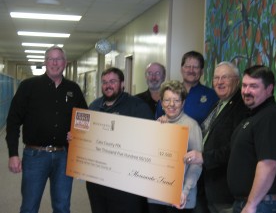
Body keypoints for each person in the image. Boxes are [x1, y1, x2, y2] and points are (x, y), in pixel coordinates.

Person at [5, 45, 88, 213]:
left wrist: (78, 135)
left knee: (62, 206)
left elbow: (84, 120)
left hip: (64, 156)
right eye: (51, 58)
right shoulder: (28, 86)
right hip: (35, 156)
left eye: (59, 59)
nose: (55, 62)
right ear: (45, 62)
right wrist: (13, 153)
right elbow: (13, 121)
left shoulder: (73, 89)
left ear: (65, 63)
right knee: (29, 206)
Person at [227, 65, 276, 213]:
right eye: (244, 85)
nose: (246, 91)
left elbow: (269, 164)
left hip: (264, 205)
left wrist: (251, 204)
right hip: (255, 203)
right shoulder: (255, 115)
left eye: (253, 86)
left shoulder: (271, 117)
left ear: (269, 89)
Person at [85, 67, 153, 213]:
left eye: (112, 81)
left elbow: (149, 141)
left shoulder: (137, 107)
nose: (108, 85)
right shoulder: (94, 106)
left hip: (125, 182)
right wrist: (76, 138)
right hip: (97, 180)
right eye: (104, 82)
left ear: (122, 83)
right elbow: (85, 137)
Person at [185, 62, 248, 213]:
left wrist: (204, 157)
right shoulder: (218, 104)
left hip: (224, 190)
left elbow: (236, 148)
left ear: (236, 80)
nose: (219, 82)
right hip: (206, 185)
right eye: (216, 78)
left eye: (225, 78)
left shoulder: (241, 107)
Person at [148, 80, 202, 213]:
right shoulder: (157, 125)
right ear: (161, 102)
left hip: (181, 198)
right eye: (167, 100)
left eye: (176, 100)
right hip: (156, 196)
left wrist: (185, 191)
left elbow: (196, 164)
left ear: (183, 103)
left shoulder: (192, 125)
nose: (171, 104)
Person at [156, 51, 218, 125]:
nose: (191, 70)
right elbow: (158, 119)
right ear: (181, 69)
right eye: (187, 66)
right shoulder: (168, 93)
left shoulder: (212, 96)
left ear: (201, 71)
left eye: (196, 67)